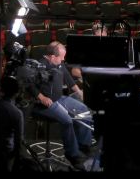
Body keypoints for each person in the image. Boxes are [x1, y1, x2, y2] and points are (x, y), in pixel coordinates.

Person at [25, 41, 93, 169]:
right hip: (42, 104)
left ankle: (84, 145)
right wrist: (42, 97)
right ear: (51, 57)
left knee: (83, 109)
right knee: (67, 120)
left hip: (59, 98)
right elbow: (29, 85)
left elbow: (69, 79)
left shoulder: (59, 64)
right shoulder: (40, 66)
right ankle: (72, 154)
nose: (63, 59)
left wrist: (79, 93)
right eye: (61, 57)